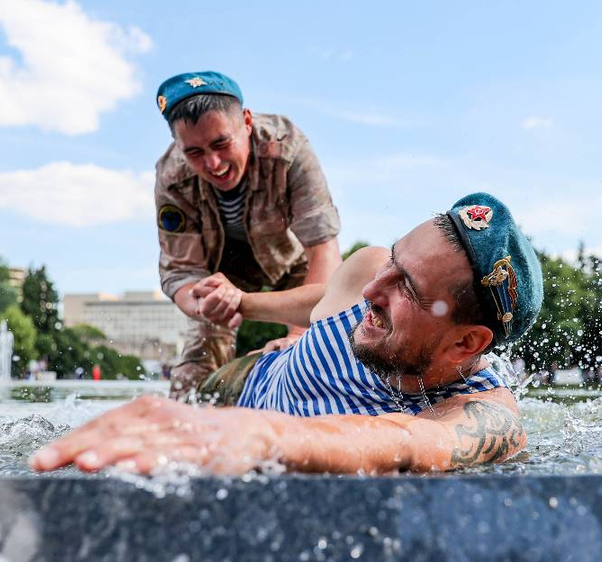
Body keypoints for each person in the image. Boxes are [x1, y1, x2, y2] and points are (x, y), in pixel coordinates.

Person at [30, 192, 543, 475]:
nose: (372, 289)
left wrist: (261, 432)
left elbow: (411, 441)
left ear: (466, 343)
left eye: (406, 286)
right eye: (393, 259)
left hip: (246, 423)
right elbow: (321, 297)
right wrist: (245, 303)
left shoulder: (484, 413)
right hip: (246, 376)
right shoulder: (368, 269)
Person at [153, 71, 342, 399]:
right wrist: (206, 304)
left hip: (294, 266)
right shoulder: (171, 177)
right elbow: (182, 272)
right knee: (191, 379)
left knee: (325, 348)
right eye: (194, 152)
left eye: (221, 143)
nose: (213, 163)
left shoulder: (289, 148)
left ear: (247, 121)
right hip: (216, 279)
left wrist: (298, 336)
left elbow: (324, 250)